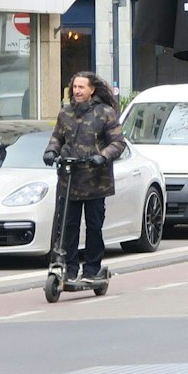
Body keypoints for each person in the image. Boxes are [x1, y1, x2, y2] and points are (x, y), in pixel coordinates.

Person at [43, 71, 127, 282]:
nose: (77, 91)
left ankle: (91, 269)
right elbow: (57, 137)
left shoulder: (105, 113)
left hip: (95, 181)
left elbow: (118, 143)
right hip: (69, 180)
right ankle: (69, 269)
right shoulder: (66, 113)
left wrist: (103, 157)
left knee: (93, 226)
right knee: (68, 226)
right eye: (75, 87)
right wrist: (51, 151)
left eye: (81, 87)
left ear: (92, 90)